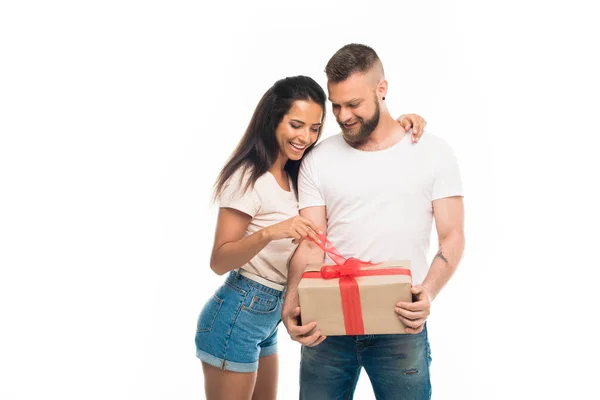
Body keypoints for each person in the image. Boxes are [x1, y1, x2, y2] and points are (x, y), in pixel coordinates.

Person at [195, 74, 429, 400]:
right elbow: (219, 261)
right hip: (237, 314)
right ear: (273, 121)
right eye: (295, 125)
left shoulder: (297, 169)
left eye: (314, 128)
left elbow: (353, 146)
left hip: (269, 318)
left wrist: (401, 125)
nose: (305, 136)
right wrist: (271, 232)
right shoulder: (247, 177)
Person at [282, 44, 465, 400]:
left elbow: (453, 235)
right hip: (327, 323)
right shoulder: (318, 159)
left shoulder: (432, 152)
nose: (343, 115)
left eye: (353, 104)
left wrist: (427, 292)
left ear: (382, 89)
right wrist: (292, 302)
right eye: (335, 105)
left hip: (400, 319)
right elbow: (310, 243)